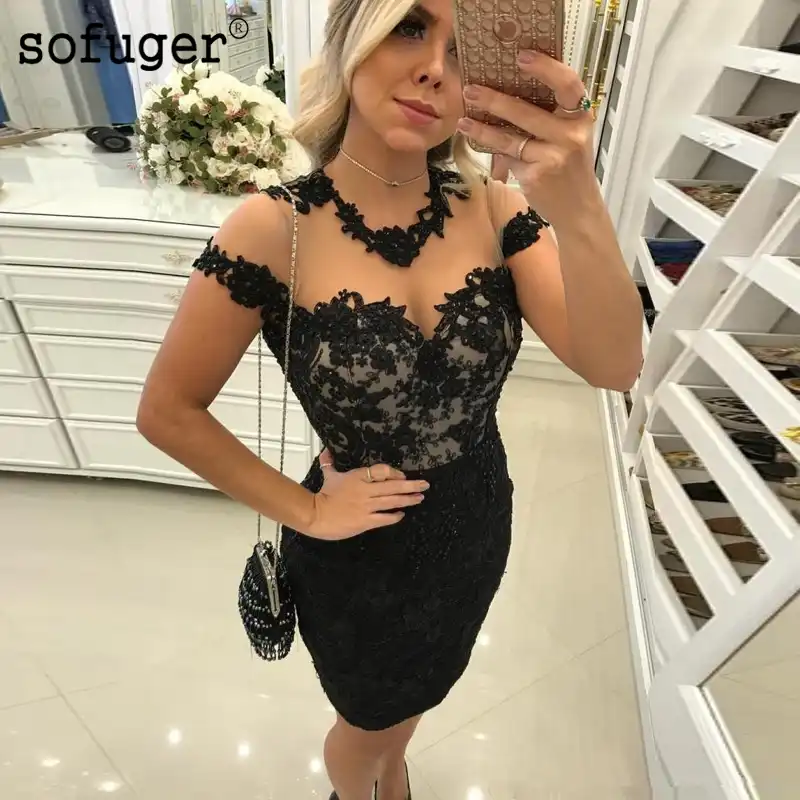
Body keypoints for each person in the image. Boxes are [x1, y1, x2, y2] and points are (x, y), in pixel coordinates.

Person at [137, 1, 643, 798]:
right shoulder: (272, 228)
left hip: (475, 526)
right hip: (354, 554)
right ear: (354, 35)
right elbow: (168, 409)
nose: (435, 68)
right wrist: (307, 512)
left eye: (462, 48)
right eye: (409, 26)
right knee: (362, 728)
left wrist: (577, 197)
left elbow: (615, 366)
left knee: (407, 713)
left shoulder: (498, 211)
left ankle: (393, 772)